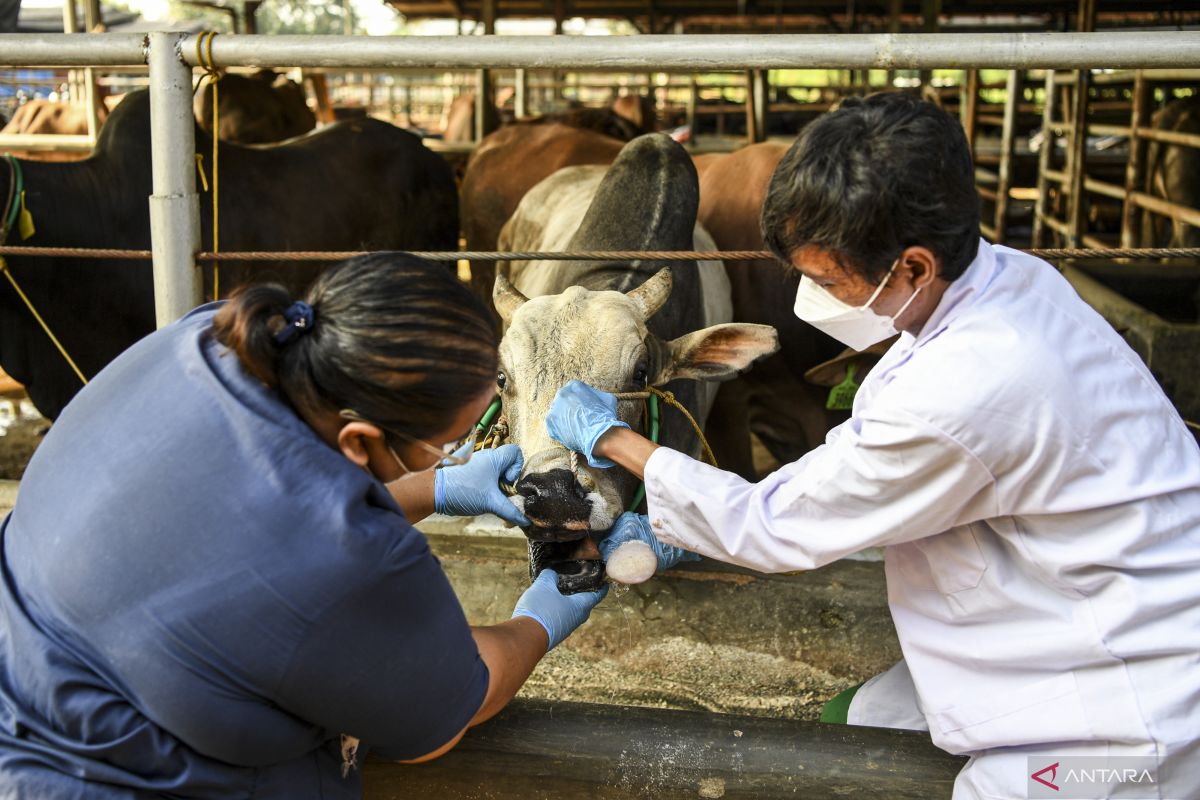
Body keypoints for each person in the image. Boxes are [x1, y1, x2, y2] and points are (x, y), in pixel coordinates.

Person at [548, 93, 1200, 799]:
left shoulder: (977, 384)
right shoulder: (1007, 278)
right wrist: (693, 516)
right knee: (859, 717)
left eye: (827, 280)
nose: (811, 294)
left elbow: (773, 525)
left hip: (1129, 695)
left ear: (914, 268)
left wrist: (609, 436)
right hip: (1056, 599)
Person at [0, 253, 605, 799]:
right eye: (450, 446)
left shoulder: (204, 341)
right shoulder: (353, 563)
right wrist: (546, 611)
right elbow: (445, 713)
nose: (458, 454)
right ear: (361, 440)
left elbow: (242, 530)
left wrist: (431, 487)